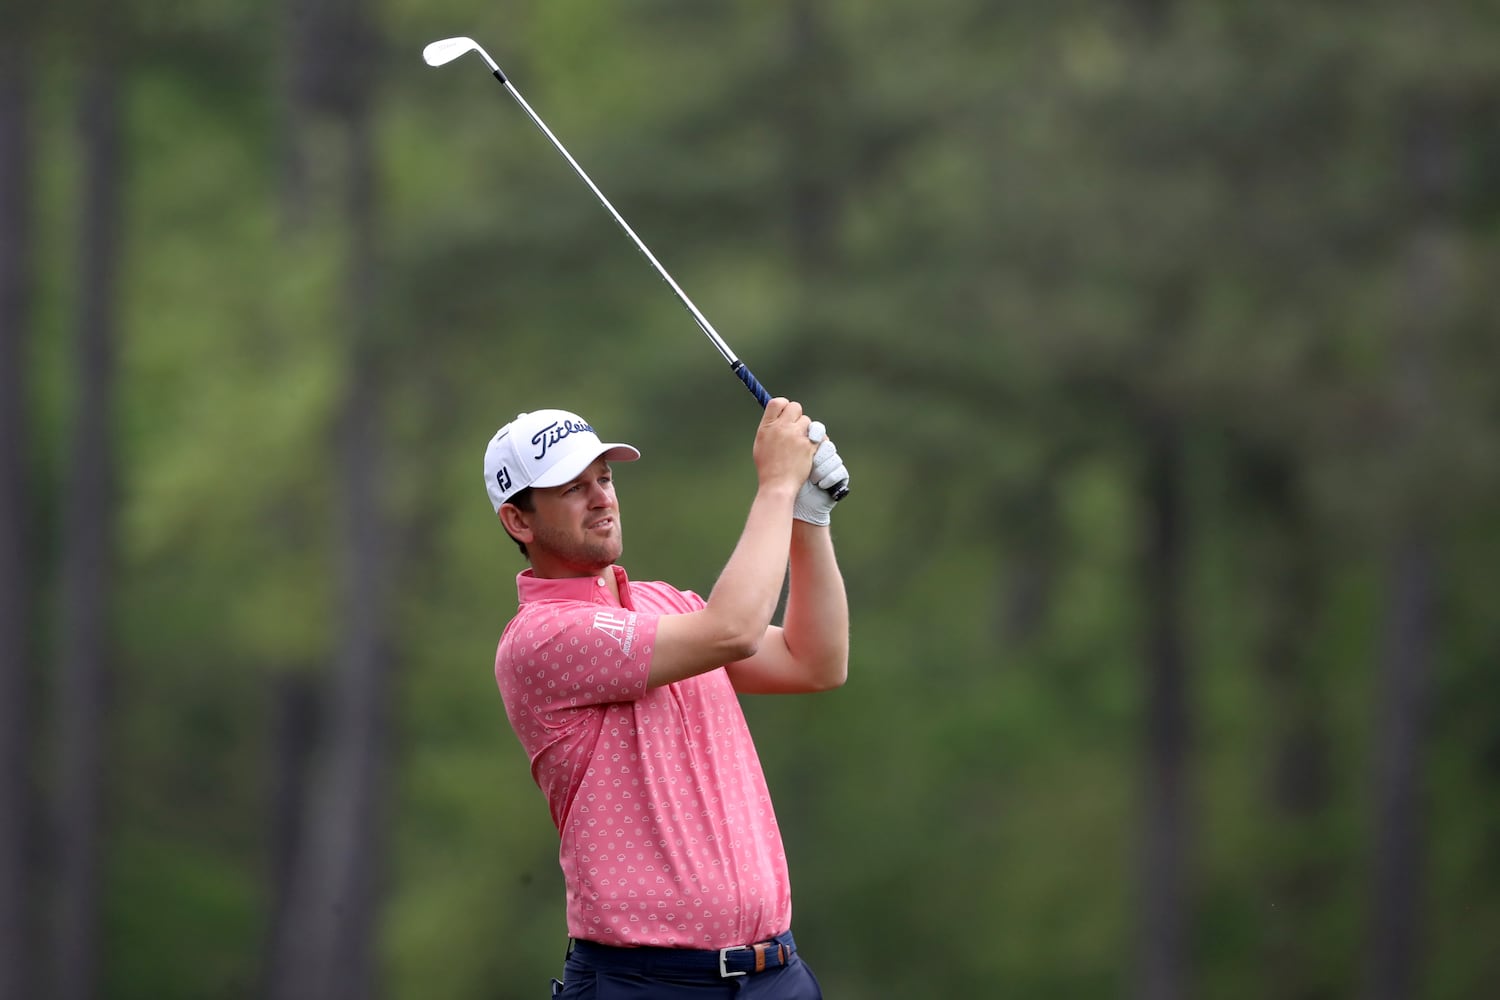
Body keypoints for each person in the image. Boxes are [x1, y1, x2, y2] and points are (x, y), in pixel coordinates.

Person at [483, 399, 850, 999]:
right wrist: (777, 488)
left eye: (604, 478)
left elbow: (815, 661)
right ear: (518, 522)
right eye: (572, 488)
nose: (602, 497)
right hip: (648, 984)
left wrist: (808, 516)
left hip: (774, 976)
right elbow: (732, 628)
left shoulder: (668, 606)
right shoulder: (541, 637)